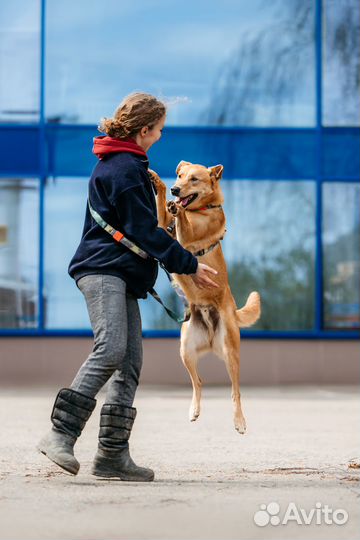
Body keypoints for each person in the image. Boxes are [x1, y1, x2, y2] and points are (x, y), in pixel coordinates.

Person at [37, 92, 218, 482]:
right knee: (110, 349)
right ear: (144, 129)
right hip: (102, 271)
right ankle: (59, 435)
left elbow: (142, 228)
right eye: (160, 130)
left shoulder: (127, 164)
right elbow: (140, 230)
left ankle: (111, 456)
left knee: (130, 363)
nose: (161, 136)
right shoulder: (122, 168)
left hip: (120, 274)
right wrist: (188, 265)